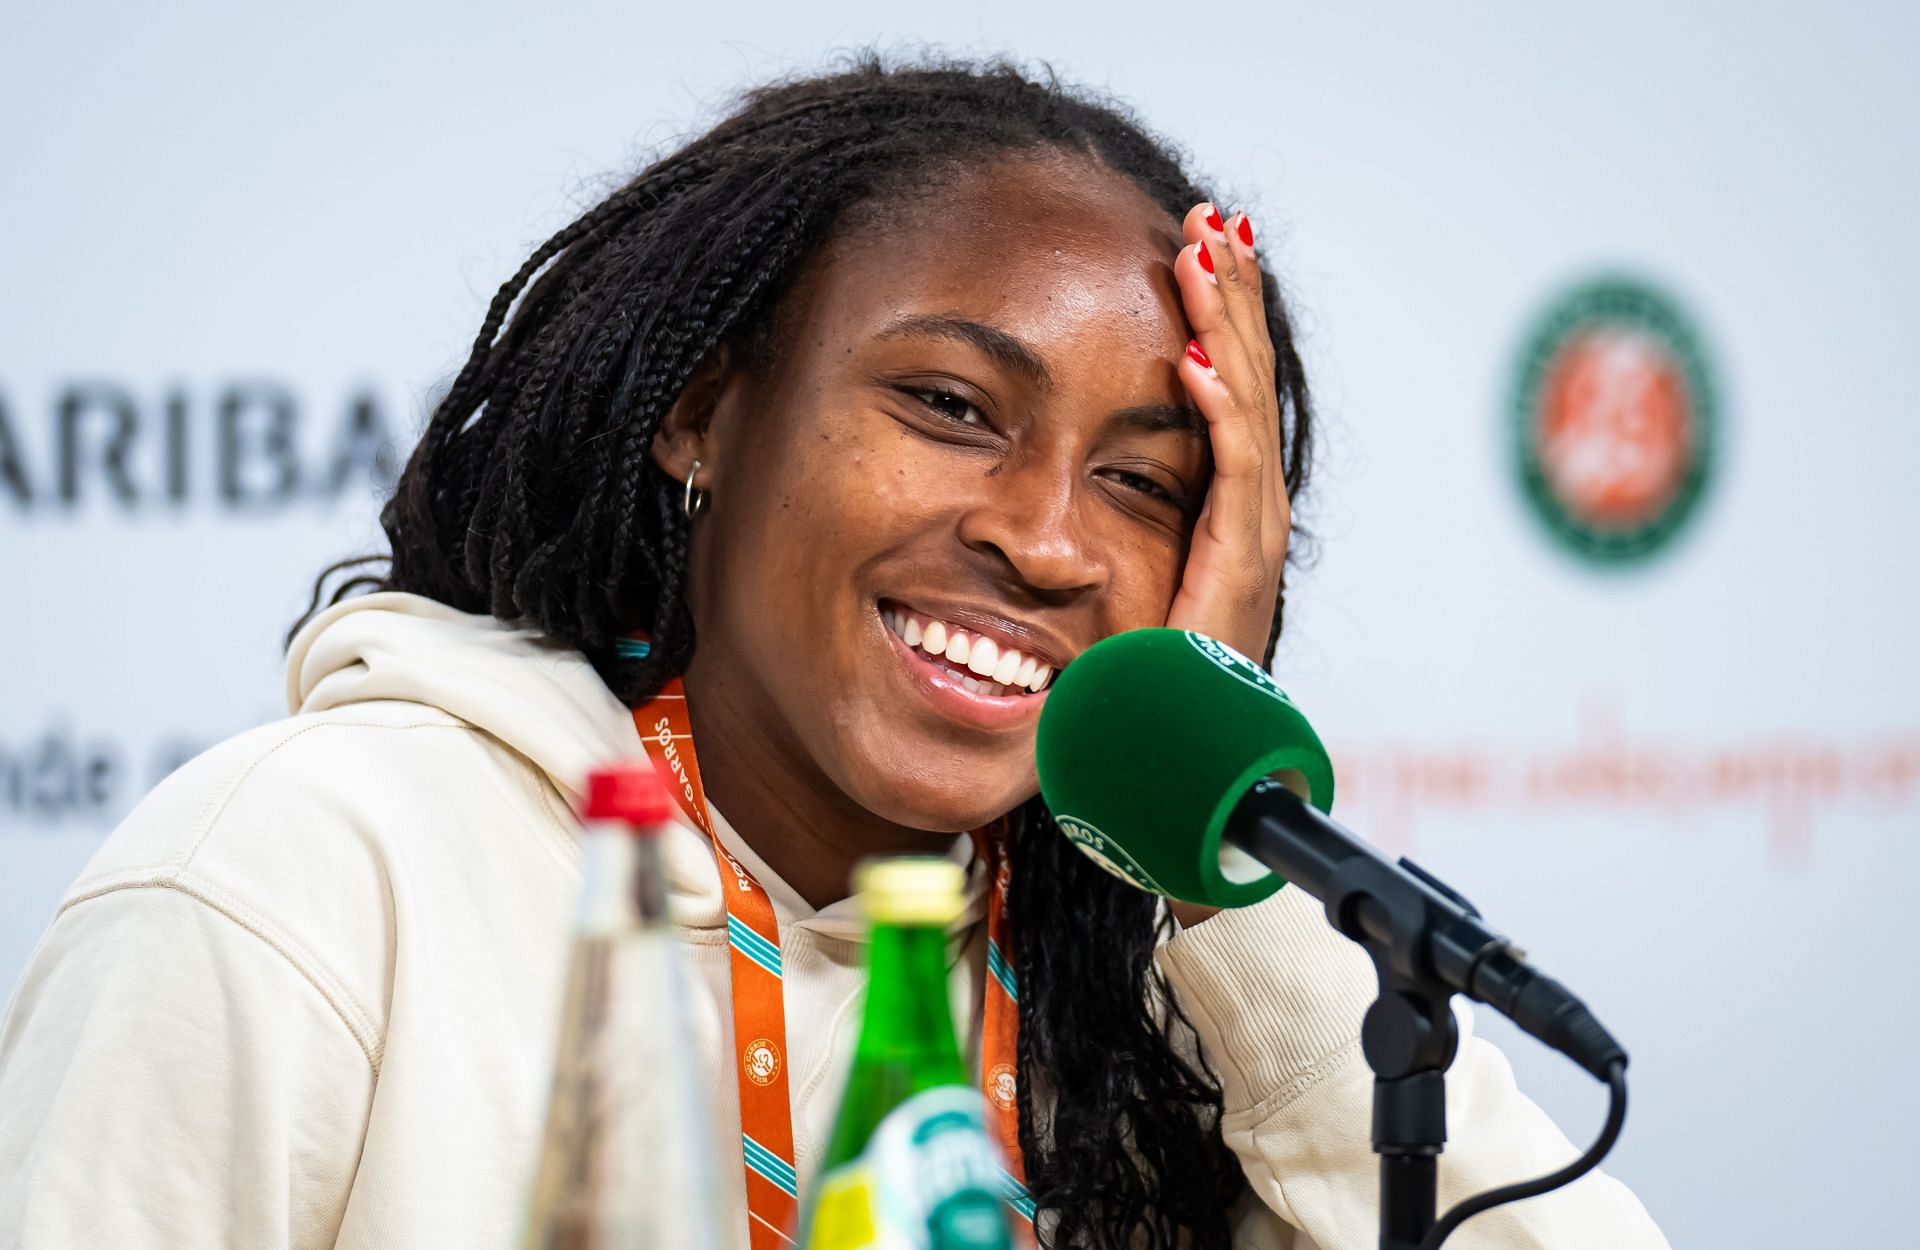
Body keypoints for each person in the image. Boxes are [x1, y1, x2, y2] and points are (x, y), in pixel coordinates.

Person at [0, 58, 1668, 1249]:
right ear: (704, 411)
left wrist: (1204, 848)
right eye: (950, 407)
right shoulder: (312, 870)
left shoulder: (1143, 990)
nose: (1047, 536)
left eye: (1143, 482)